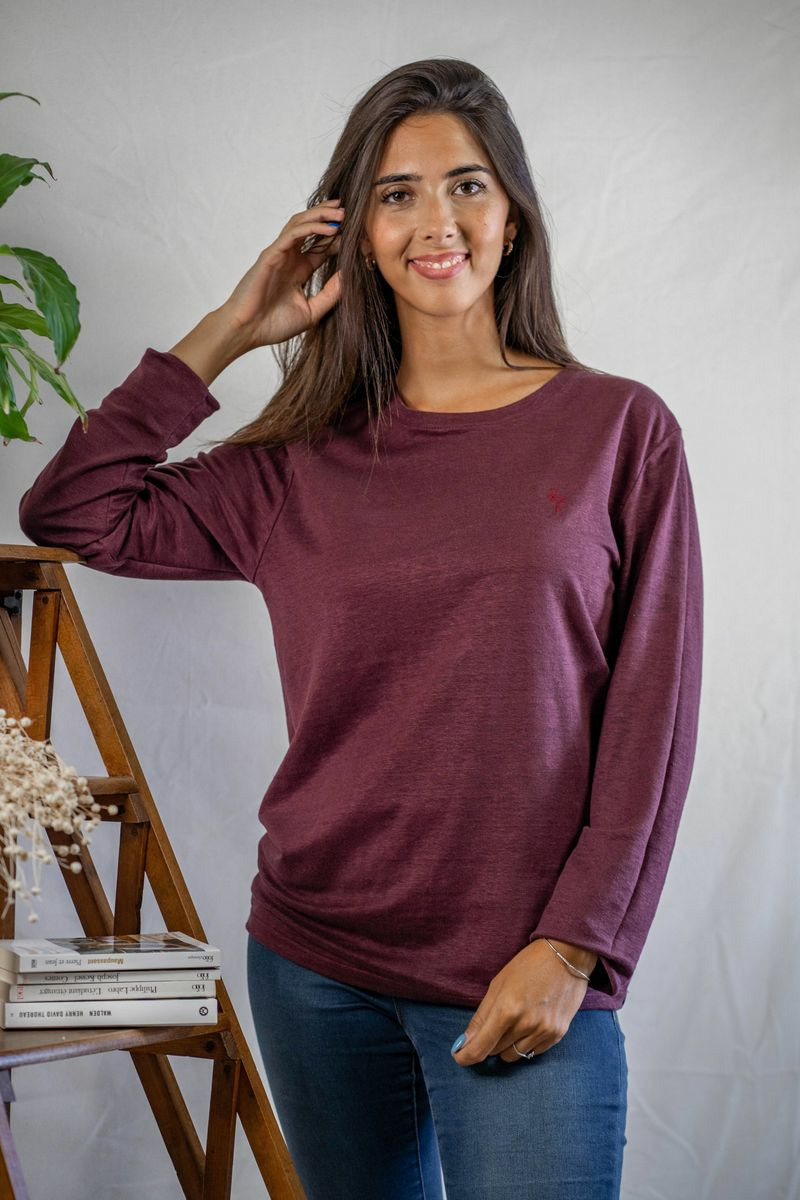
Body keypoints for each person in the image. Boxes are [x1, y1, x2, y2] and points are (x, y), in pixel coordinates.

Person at [18, 56, 703, 1200]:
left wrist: (576, 946)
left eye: (466, 185)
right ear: (355, 235)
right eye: (395, 194)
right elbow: (73, 513)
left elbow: (654, 718)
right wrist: (234, 325)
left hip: (522, 963)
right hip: (314, 968)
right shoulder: (299, 464)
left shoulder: (616, 431)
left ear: (512, 216)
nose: (436, 220)